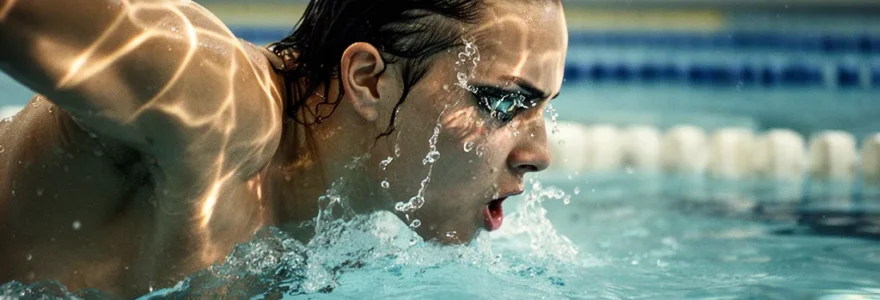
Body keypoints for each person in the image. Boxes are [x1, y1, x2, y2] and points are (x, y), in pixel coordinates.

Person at [0, 0, 566, 297]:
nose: (539, 152)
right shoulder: (212, 99)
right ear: (369, 80)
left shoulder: (347, 235)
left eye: (544, 109)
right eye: (501, 102)